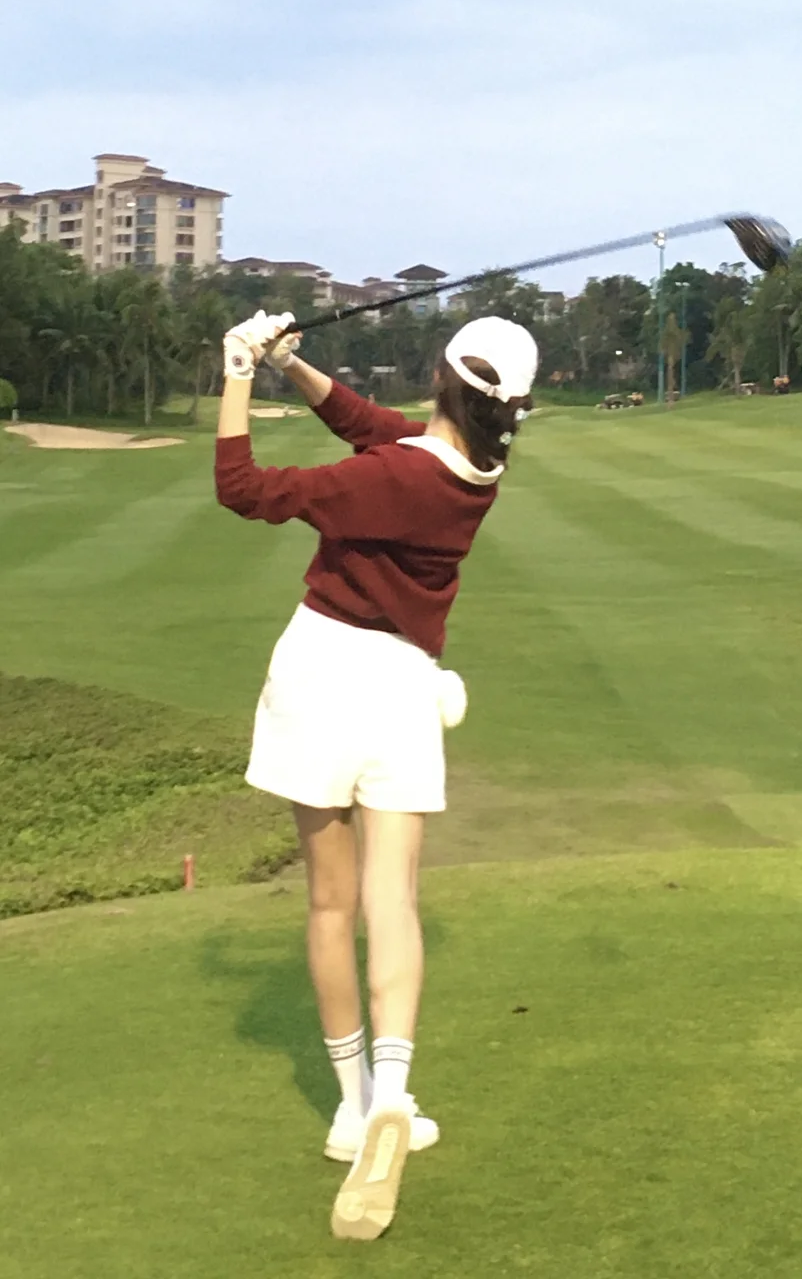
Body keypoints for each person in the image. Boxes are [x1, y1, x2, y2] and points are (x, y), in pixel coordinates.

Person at [214, 309, 538, 1241]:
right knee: (391, 899)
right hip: (402, 688)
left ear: (441, 378)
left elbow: (242, 489)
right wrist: (295, 366)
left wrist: (238, 370)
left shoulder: (390, 475)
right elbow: (367, 422)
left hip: (320, 672)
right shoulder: (475, 468)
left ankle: (353, 1108)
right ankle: (395, 1092)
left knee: (330, 901)